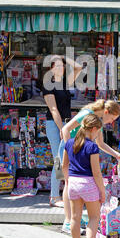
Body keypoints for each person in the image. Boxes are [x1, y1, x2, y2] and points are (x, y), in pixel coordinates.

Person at [61, 98, 120, 233]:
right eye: (112, 118)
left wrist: (116, 155)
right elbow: (65, 129)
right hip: (72, 150)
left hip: (77, 151)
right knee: (68, 183)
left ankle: (73, 221)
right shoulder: (87, 114)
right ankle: (68, 222)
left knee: (72, 184)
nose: (112, 122)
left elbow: (100, 144)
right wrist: (70, 149)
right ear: (106, 111)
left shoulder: (97, 121)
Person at [62, 113, 105, 238]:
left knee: (74, 218)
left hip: (73, 182)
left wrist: (68, 181)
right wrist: (102, 191)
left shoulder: (69, 143)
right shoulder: (92, 146)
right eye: (98, 131)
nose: (97, 134)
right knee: (94, 217)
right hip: (88, 183)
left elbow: (64, 166)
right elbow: (96, 172)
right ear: (93, 129)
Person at [43, 55, 82, 206]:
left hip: (66, 125)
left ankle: (61, 193)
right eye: (57, 66)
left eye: (62, 66)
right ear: (51, 69)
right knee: (58, 160)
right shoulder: (48, 85)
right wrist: (61, 128)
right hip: (55, 125)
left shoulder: (65, 83)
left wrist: (65, 58)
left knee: (65, 160)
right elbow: (53, 109)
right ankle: (54, 197)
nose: (60, 68)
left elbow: (78, 67)